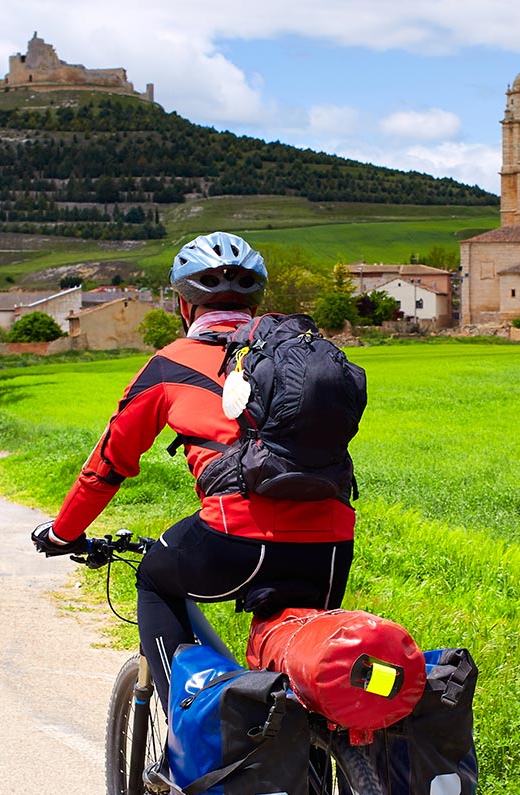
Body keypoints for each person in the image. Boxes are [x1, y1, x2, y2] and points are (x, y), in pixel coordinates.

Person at [32, 232, 356, 701]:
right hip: (329, 542)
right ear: (255, 301)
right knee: (306, 677)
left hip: (233, 539)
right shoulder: (301, 357)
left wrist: (63, 533)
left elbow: (106, 466)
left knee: (155, 578)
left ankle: (179, 732)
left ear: (185, 306)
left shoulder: (170, 365)